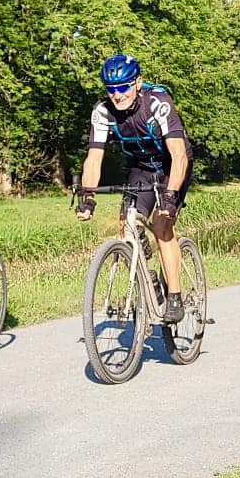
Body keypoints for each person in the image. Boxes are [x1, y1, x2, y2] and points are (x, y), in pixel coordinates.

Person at [75, 54, 193, 323]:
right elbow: (94, 158)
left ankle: (174, 297)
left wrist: (170, 195)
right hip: (141, 167)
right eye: (111, 89)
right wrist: (88, 196)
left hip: (171, 164)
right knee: (127, 225)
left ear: (137, 83)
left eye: (124, 87)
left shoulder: (158, 104)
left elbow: (179, 156)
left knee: (162, 225)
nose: (117, 95)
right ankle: (147, 280)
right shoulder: (102, 112)